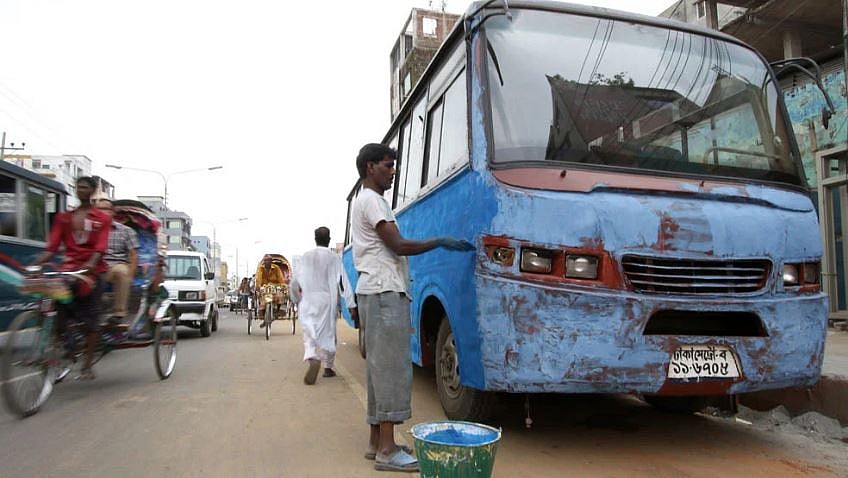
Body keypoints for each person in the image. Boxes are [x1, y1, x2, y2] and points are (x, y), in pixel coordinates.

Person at [351, 143, 473, 473]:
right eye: (387, 166)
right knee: (391, 368)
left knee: (379, 368)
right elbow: (398, 245)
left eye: (394, 166)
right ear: (369, 168)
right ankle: (387, 452)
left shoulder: (364, 200)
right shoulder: (373, 201)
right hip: (384, 291)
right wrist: (439, 242)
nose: (393, 172)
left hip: (374, 291)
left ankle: (377, 441)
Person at [31, 176, 112, 380]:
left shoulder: (102, 218)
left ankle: (87, 366)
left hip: (92, 271)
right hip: (68, 268)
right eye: (79, 187)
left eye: (85, 187)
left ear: (92, 191)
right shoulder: (64, 218)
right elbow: (52, 247)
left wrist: (91, 265)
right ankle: (62, 340)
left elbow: (100, 247)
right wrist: (36, 264)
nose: (81, 190)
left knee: (91, 319)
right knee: (53, 305)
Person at [290, 226, 356, 385]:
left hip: (308, 299)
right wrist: (351, 304)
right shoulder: (334, 258)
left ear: (315, 239)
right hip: (327, 300)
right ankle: (328, 367)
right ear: (329, 240)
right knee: (328, 333)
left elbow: (294, 282)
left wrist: (296, 298)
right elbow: (343, 282)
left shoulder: (305, 257)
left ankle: (311, 355)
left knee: (309, 331)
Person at [93, 196, 139, 321]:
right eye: (99, 209)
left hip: (115, 265)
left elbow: (133, 255)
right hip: (94, 265)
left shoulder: (125, 231)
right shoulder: (91, 229)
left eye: (105, 209)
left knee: (122, 272)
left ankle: (119, 313)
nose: (102, 212)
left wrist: (130, 275)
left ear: (112, 212)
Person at [255, 255, 286, 324]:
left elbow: (280, 278)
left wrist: (282, 285)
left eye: (268, 260)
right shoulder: (261, 269)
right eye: (265, 260)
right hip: (265, 287)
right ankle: (262, 312)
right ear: (264, 262)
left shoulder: (276, 268)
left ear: (271, 261)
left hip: (275, 286)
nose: (267, 262)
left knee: (279, 296)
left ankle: (278, 310)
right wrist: (258, 286)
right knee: (263, 297)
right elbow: (258, 278)